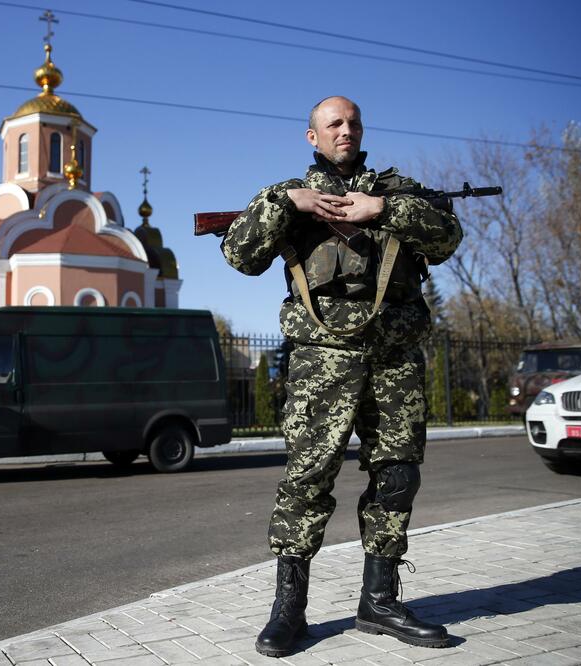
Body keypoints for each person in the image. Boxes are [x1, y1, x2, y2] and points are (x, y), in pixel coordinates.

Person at [221, 96, 463, 657]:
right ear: (313, 136)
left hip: (394, 356)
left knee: (397, 476)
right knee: (307, 481)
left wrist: (379, 210)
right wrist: (289, 203)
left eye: (353, 122)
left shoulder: (398, 192)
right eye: (333, 123)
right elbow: (239, 253)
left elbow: (447, 239)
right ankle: (289, 611)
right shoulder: (288, 195)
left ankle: (379, 601)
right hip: (321, 358)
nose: (345, 130)